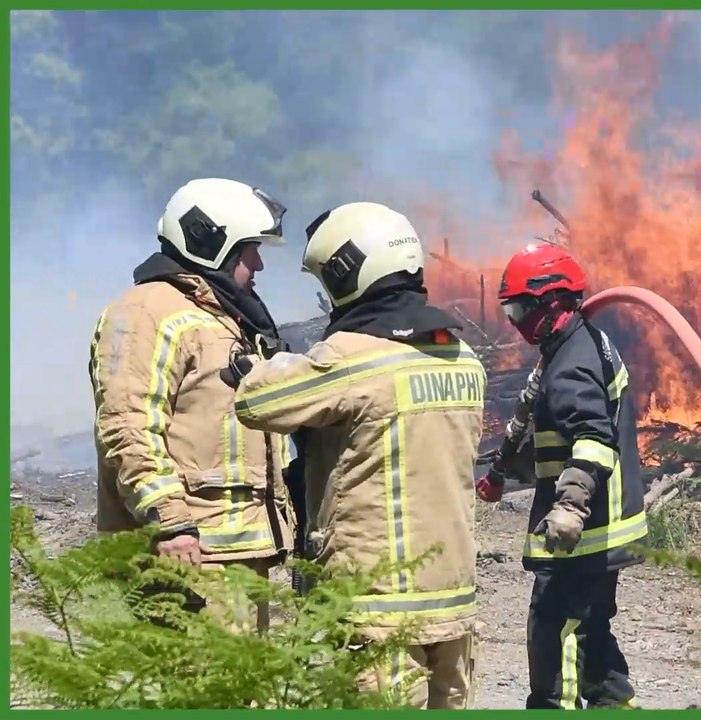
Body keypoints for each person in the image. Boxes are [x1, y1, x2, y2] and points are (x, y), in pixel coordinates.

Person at [229, 201, 485, 709]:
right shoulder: (464, 359)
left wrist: (250, 365)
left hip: (378, 602)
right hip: (453, 596)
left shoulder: (354, 358)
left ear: (350, 273)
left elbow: (257, 401)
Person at [89, 177, 295, 634]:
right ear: (211, 246)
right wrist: (171, 523)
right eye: (249, 250)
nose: (258, 264)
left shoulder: (220, 315)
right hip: (189, 554)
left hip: (232, 552)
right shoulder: (147, 314)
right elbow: (128, 426)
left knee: (242, 699)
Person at [477, 242, 647, 710]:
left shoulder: (572, 362)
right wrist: (500, 473)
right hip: (604, 528)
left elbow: (592, 438)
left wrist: (570, 506)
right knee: (592, 636)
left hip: (585, 534)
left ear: (551, 303)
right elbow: (545, 432)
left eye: (517, 309)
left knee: (559, 634)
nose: (513, 321)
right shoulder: (575, 345)